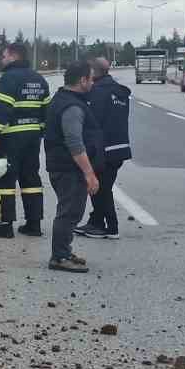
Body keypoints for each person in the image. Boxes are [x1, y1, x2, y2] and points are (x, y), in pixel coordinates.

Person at [0, 41, 50, 238]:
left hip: (11, 136)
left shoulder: (9, 78)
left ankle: (4, 226)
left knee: (5, 178)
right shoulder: (39, 79)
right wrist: (39, 132)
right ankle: (33, 224)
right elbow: (47, 111)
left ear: (13, 55)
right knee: (31, 178)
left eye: (3, 56)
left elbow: (1, 109)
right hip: (33, 137)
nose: (2, 60)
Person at [44, 61, 103, 273]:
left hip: (63, 166)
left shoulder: (64, 100)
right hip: (69, 169)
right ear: (82, 80)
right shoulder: (72, 107)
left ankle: (64, 251)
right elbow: (74, 142)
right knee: (69, 213)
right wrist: (90, 174)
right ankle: (59, 257)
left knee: (71, 211)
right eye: (91, 79)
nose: (93, 83)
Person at [78, 56, 131, 239]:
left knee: (100, 188)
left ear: (93, 72)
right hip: (120, 147)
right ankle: (96, 222)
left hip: (104, 149)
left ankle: (111, 227)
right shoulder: (119, 91)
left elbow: (92, 122)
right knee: (102, 186)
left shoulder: (97, 92)